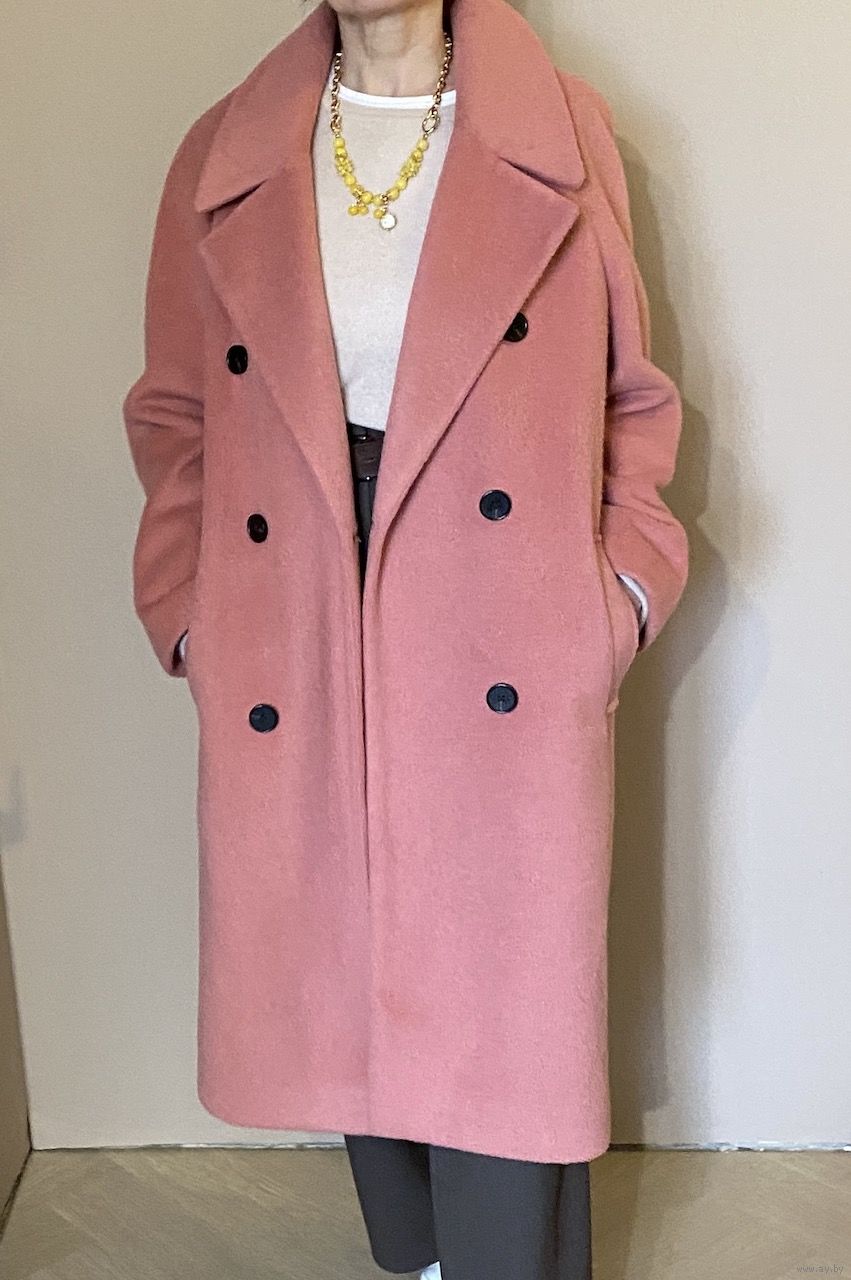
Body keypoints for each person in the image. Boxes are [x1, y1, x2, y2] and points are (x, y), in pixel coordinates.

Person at [123, 0, 689, 1276]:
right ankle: (421, 1254)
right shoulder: (226, 152)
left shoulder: (559, 133)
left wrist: (616, 594)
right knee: (343, 944)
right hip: (294, 595)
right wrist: (190, 613)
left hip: (501, 603)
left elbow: (632, 400)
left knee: (505, 984)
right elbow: (174, 414)